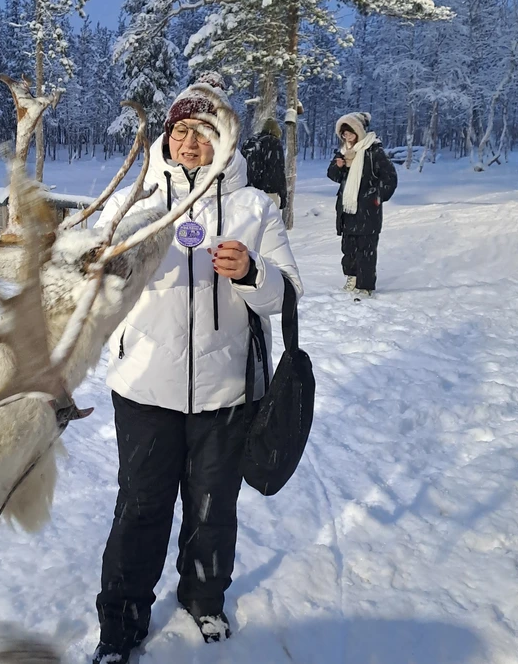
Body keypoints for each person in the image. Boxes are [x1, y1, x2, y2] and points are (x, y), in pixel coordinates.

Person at [92, 73, 302, 664]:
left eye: (205, 132)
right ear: (167, 137)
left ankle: (205, 598)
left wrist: (253, 272)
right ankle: (122, 624)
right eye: (182, 130)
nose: (190, 143)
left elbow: (287, 295)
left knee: (213, 507)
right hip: (143, 385)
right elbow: (91, 280)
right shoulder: (133, 201)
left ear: (225, 139)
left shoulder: (254, 207)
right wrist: (104, 264)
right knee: (140, 508)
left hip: (228, 388)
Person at [327, 112, 398, 299]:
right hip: (348, 210)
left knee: (366, 249)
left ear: (358, 131)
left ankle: (365, 285)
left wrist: (376, 197)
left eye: (349, 133)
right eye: (343, 134)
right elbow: (332, 175)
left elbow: (390, 178)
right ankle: (351, 277)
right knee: (348, 248)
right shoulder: (343, 151)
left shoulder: (373, 151)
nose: (346, 137)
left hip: (367, 210)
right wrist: (339, 166)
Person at [241, 116, 287, 209]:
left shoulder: (249, 141)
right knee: (270, 221)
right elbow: (278, 171)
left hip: (248, 191)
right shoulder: (273, 143)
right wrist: (283, 194)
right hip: (268, 191)